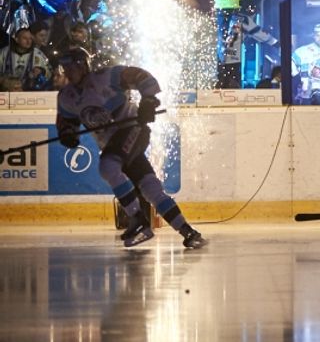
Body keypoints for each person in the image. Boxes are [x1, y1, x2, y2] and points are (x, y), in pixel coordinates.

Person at [55, 48, 206, 249]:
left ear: (83, 64)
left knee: (108, 167)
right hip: (113, 144)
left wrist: (148, 100)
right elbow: (66, 120)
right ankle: (188, 232)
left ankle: (138, 220)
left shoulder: (106, 76)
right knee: (150, 187)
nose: (67, 71)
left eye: (71, 66)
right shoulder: (67, 96)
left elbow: (142, 76)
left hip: (131, 129)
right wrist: (67, 133)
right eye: (65, 67)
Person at [290, 23, 320, 105]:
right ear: (313, 35)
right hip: (306, 96)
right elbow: (291, 65)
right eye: (318, 35)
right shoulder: (302, 51)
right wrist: (297, 79)